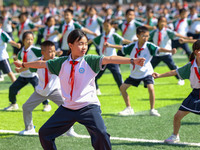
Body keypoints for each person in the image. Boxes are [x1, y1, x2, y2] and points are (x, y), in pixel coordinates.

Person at [14, 29, 145, 150]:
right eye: (80, 44)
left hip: (88, 107)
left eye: (86, 44)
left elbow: (110, 58)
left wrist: (132, 60)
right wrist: (24, 64)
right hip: (67, 108)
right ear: (70, 45)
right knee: (44, 133)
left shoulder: (90, 60)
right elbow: (42, 64)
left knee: (101, 133)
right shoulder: (61, 62)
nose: (84, 47)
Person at [105, 26, 176, 116]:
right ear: (137, 36)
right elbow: (122, 48)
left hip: (147, 72)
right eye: (143, 36)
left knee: (151, 88)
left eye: (147, 36)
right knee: (122, 88)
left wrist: (170, 50)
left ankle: (152, 109)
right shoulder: (132, 46)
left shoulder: (149, 46)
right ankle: (129, 108)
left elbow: (159, 49)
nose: (145, 38)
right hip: (135, 73)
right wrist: (110, 45)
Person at [17, 41, 77, 136]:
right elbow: (29, 66)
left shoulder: (58, 61)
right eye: (50, 51)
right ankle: (29, 128)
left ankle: (69, 130)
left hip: (55, 90)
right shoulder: (37, 62)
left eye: (54, 51)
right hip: (40, 91)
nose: (52, 53)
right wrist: (20, 69)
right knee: (26, 107)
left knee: (68, 107)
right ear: (42, 53)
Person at [152, 40, 200, 144]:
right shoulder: (191, 66)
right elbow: (175, 72)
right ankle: (175, 136)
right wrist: (160, 75)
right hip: (195, 94)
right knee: (177, 116)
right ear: (197, 52)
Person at [4, 31, 51, 111]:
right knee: (12, 88)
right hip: (23, 76)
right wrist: (16, 60)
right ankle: (13, 104)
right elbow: (19, 57)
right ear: (23, 40)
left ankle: (46, 104)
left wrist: (55, 53)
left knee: (40, 90)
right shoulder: (22, 50)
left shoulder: (34, 49)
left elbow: (45, 52)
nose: (30, 41)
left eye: (31, 39)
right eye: (27, 39)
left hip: (33, 75)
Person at [89, 19, 131, 95]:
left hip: (112, 59)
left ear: (111, 26)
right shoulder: (101, 36)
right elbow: (92, 40)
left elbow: (123, 41)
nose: (105, 27)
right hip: (102, 59)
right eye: (104, 26)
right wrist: (83, 43)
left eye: (107, 25)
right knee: (94, 76)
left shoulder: (114, 35)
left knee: (117, 76)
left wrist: (134, 43)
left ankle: (122, 90)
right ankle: (97, 89)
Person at [149, 16, 191, 86]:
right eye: (161, 21)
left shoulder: (167, 31)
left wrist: (186, 38)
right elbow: (147, 37)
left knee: (172, 66)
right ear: (158, 22)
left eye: (164, 22)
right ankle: (147, 79)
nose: (162, 23)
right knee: (150, 67)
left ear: (166, 23)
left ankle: (180, 79)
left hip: (166, 53)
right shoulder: (154, 32)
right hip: (157, 53)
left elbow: (176, 34)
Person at [0, 16, 21, 83]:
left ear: (0, 25)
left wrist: (16, 44)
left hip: (2, 58)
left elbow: (10, 41)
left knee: (9, 73)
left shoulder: (2, 34)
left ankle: (16, 88)